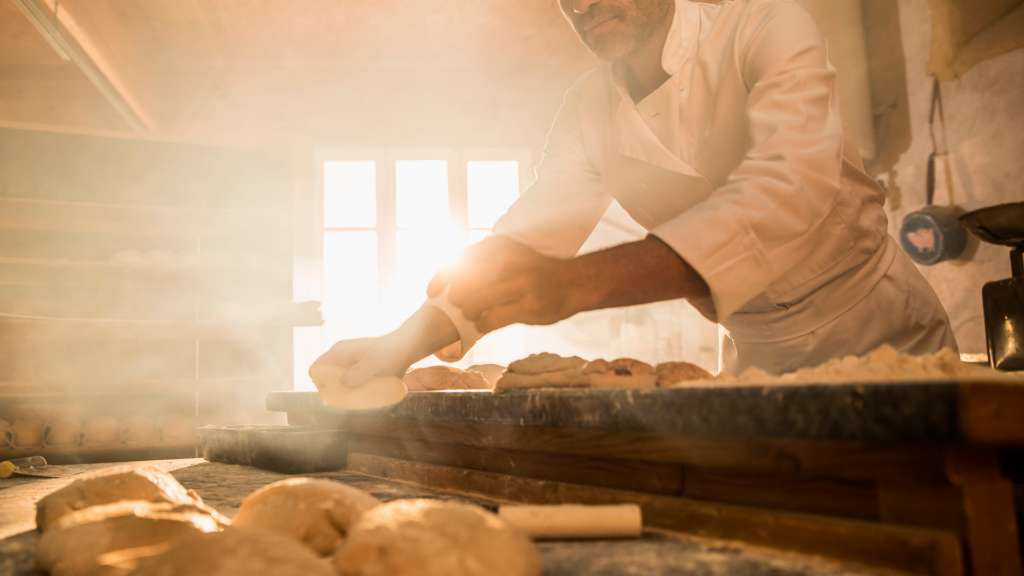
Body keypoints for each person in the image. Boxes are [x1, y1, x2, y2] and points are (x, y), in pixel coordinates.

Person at [315, 0, 957, 384]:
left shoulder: (765, 28)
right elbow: (520, 243)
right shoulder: (587, 109)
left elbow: (787, 193)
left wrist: (573, 285)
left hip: (888, 342)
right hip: (758, 364)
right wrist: (397, 346)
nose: (582, 3)